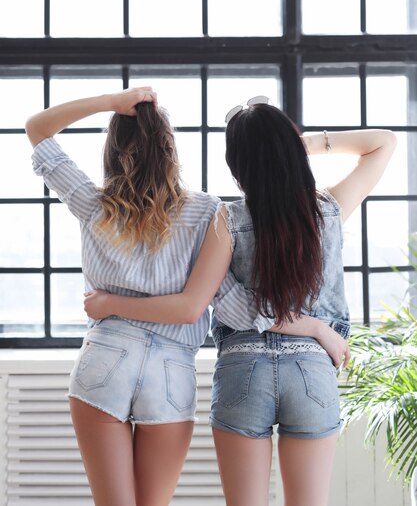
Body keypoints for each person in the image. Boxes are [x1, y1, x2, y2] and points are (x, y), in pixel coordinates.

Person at [25, 89, 346, 506]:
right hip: (170, 371)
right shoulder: (208, 213)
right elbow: (241, 308)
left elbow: (36, 129)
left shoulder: (93, 204)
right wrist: (317, 327)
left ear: (113, 150)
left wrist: (111, 102)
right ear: (170, 149)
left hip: (104, 357)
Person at [82, 97, 396, 506]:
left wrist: (108, 303)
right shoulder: (328, 211)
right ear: (291, 147)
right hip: (313, 369)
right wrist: (306, 143)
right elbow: (384, 142)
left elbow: (192, 303)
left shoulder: (226, 220)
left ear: (236, 168)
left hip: (243, 370)